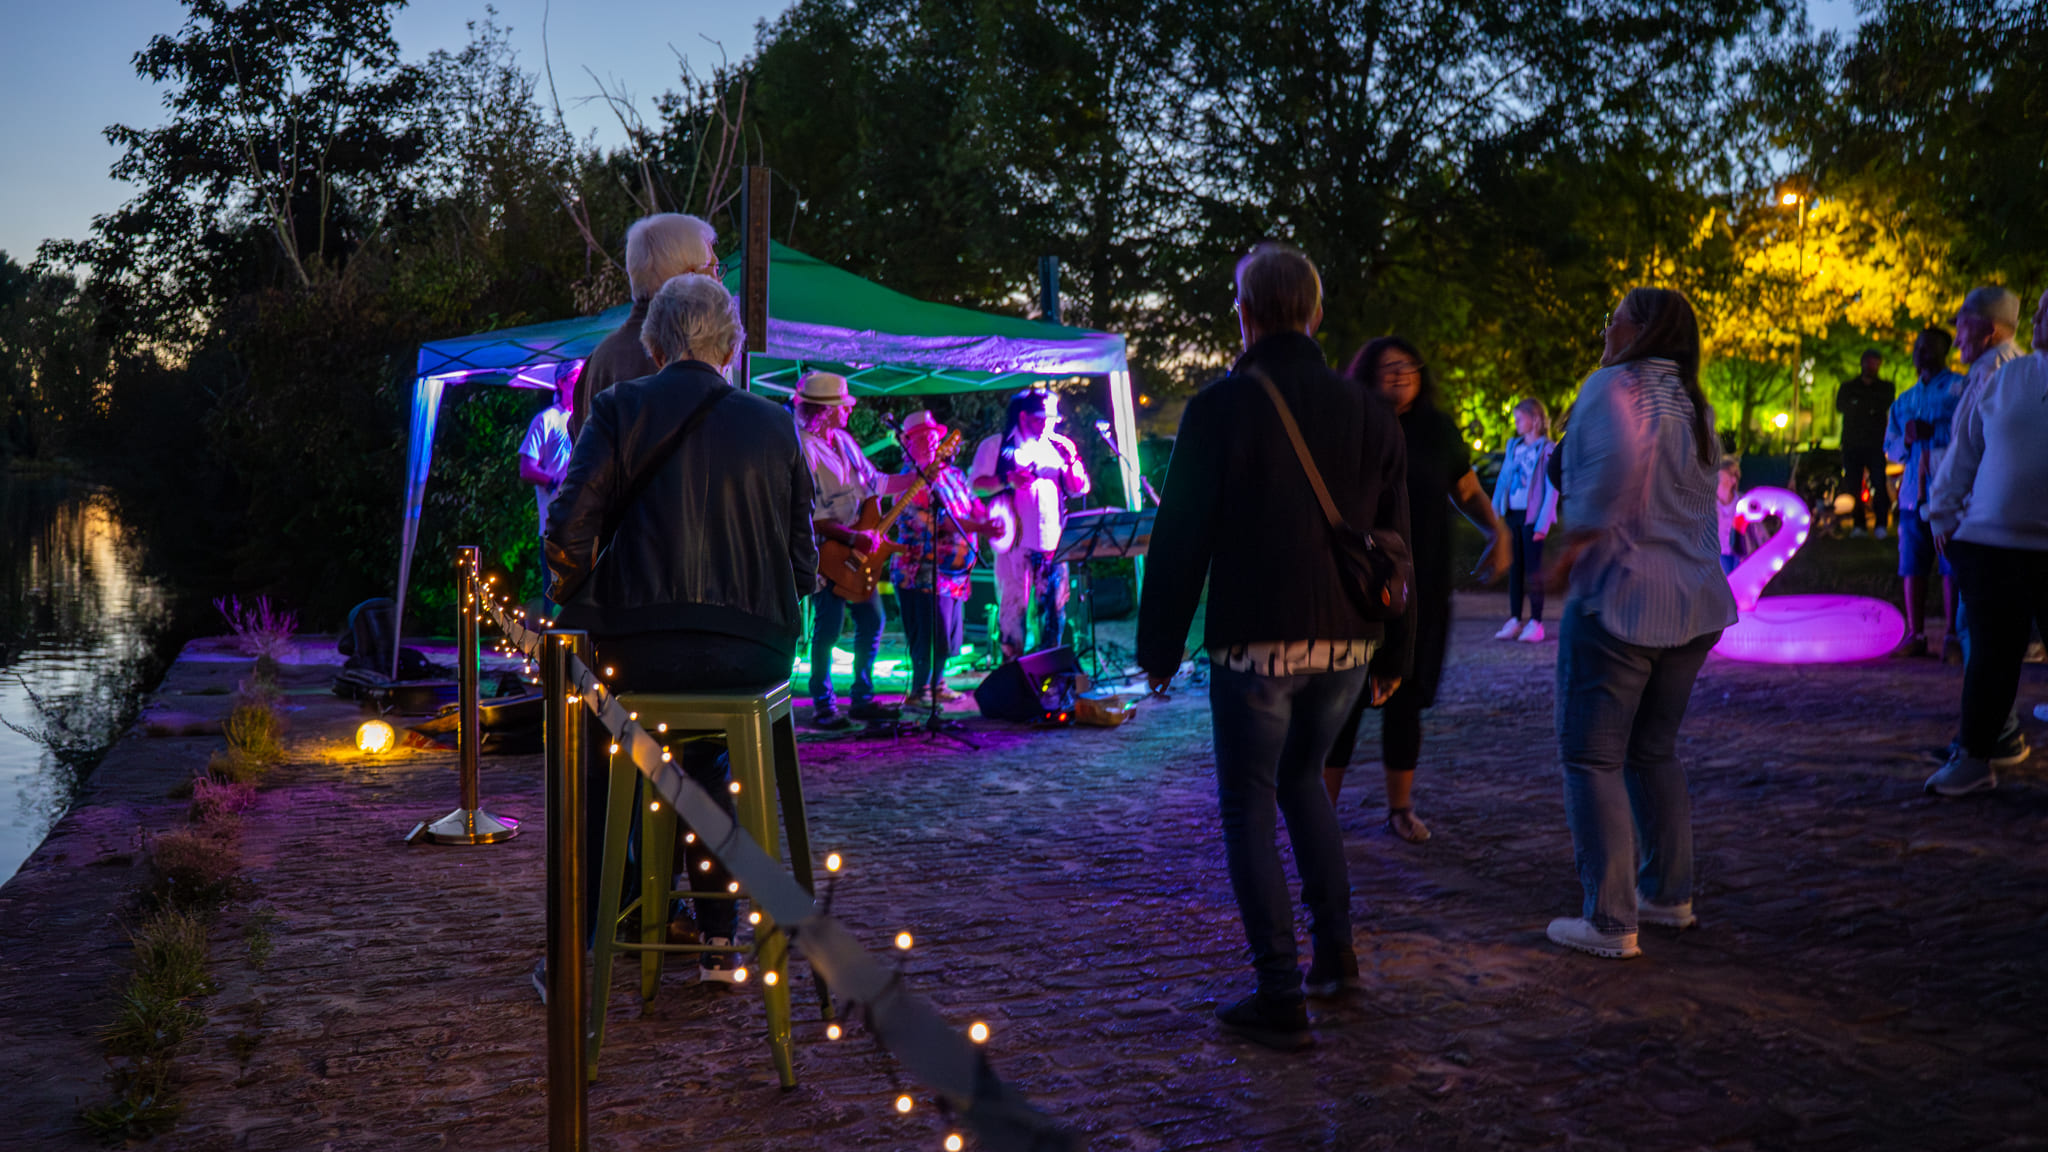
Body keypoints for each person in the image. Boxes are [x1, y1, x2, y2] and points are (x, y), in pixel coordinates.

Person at [1138, 243, 1411, 1049]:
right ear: (1316, 314)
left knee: (1249, 802)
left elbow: (1180, 537)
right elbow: (1398, 546)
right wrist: (1396, 652)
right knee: (1304, 783)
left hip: (1257, 637)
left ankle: (1279, 992)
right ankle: (1336, 956)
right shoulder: (1371, 412)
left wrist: (1160, 648)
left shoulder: (1220, 408)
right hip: (1349, 640)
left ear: (1245, 314)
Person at [543, 271, 817, 982]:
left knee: (608, 754)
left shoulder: (618, 407)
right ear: (729, 346)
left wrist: (576, 597)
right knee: (710, 756)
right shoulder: (775, 423)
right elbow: (805, 563)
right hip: (755, 655)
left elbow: (566, 531)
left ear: (655, 344)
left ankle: (604, 934)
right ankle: (719, 936)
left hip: (641, 650)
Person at [1545, 286, 1735, 961]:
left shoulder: (1613, 387)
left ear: (1640, 328)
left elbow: (1609, 474)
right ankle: (1667, 894)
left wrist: (1572, 547)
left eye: (1614, 317)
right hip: (1695, 599)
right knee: (1653, 751)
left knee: (1592, 756)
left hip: (1623, 596)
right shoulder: (1693, 400)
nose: (1607, 327)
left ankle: (1609, 918)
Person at [1323, 337, 1510, 843]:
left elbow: (1465, 489)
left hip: (1423, 584)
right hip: (1360, 586)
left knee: (1407, 699)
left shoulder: (1437, 429)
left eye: (1408, 365)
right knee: (1344, 702)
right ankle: (1320, 816)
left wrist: (1498, 532)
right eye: (1388, 366)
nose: (1401, 373)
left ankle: (1400, 810)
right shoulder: (1350, 425)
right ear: (1366, 374)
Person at [1922, 288, 2048, 796]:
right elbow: (1966, 447)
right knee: (1991, 655)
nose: (2037, 316)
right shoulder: (2009, 377)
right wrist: (1941, 512)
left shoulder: (2005, 366)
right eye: (2039, 308)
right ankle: (1975, 755)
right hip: (1992, 542)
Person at [795, 372, 914, 729]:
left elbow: (875, 483)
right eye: (842, 406)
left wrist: (919, 476)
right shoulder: (803, 448)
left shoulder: (844, 441)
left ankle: (862, 698)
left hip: (856, 550)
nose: (849, 411)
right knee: (828, 630)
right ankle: (823, 704)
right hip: (826, 554)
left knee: (872, 620)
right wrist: (851, 538)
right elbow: (808, 515)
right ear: (824, 411)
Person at [574, 213, 720, 439]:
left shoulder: (600, 357)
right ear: (689, 278)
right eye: (714, 270)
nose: (719, 283)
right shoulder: (677, 360)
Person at [969, 390, 1090, 658]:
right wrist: (1007, 480)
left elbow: (1079, 488)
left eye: (1052, 420)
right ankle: (1014, 672)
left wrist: (1072, 460)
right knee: (1013, 614)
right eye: (1041, 419)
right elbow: (976, 486)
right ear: (1023, 417)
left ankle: (1050, 675)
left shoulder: (1057, 448)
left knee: (1053, 617)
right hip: (1015, 546)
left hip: (1053, 547)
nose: (1048, 425)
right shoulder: (996, 445)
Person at [891, 410, 990, 706]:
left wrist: (988, 517)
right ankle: (920, 690)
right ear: (909, 443)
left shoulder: (953, 475)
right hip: (921, 571)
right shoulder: (909, 482)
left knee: (948, 633)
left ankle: (938, 684)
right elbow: (938, 523)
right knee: (930, 633)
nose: (932, 443)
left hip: (954, 572)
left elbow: (973, 503)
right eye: (923, 438)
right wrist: (981, 528)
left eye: (934, 437)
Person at [1883, 327, 1965, 658]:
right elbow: (1891, 449)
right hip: (1912, 496)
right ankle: (1915, 635)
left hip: (1949, 493)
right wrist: (1905, 440)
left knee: (1952, 566)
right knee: (1912, 565)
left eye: (1928, 348)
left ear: (1945, 351)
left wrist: (1938, 432)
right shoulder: (1905, 400)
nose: (1921, 354)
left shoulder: (1961, 389)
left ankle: (1953, 636)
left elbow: (1972, 434)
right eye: (1918, 348)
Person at [1490, 397, 1558, 642]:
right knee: (1515, 568)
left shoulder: (1548, 449)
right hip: (1513, 515)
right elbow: (1502, 481)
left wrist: (1543, 523)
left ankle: (1536, 623)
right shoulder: (1513, 447)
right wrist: (1493, 513)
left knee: (1533, 571)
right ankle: (1515, 620)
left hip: (1533, 519)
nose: (1516, 423)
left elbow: (1552, 489)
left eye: (1520, 419)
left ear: (1535, 419)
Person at [518, 360, 578, 603]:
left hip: (585, 524)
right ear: (562, 382)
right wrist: (555, 481)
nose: (582, 381)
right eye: (576, 376)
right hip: (554, 526)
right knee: (555, 596)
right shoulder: (546, 419)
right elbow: (526, 468)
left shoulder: (588, 418)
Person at [1834, 349, 1894, 538]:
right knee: (1853, 486)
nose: (1871, 367)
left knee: (1879, 483)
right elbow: (1842, 406)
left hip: (1874, 443)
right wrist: (1867, 408)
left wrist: (1858, 405)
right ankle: (1859, 523)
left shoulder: (1884, 388)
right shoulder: (1849, 387)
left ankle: (1880, 523)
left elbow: (1880, 404)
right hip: (1853, 443)